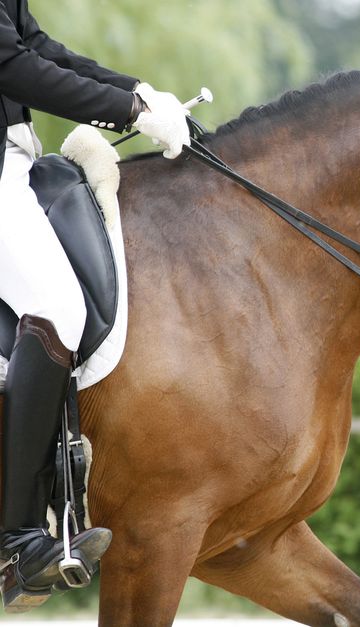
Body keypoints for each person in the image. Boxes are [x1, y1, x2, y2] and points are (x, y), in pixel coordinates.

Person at [0, 0, 190, 611]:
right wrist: (126, 110)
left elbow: (36, 46)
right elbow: (12, 67)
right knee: (56, 304)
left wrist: (138, 91)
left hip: (17, 160)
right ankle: (17, 538)